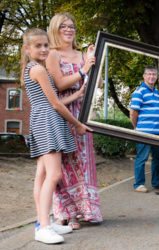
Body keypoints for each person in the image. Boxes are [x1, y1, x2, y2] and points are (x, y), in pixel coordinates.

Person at [21, 28, 91, 244]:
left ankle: (44, 222)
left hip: (44, 119)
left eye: (46, 45)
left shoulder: (34, 69)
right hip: (47, 122)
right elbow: (54, 103)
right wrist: (78, 124)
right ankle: (43, 227)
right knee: (54, 175)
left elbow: (52, 102)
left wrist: (78, 95)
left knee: (42, 175)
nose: (44, 49)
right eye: (38, 46)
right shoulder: (39, 71)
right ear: (27, 49)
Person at [46, 12, 102, 229]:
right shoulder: (52, 55)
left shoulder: (81, 55)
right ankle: (67, 213)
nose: (69, 30)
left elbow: (95, 85)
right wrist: (84, 69)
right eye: (64, 26)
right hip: (62, 112)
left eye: (72, 26)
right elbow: (59, 85)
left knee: (83, 163)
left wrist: (93, 61)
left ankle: (85, 210)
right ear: (55, 29)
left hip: (82, 113)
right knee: (65, 164)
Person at [130, 65, 159, 193]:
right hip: (144, 132)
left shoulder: (157, 92)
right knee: (142, 158)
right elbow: (133, 113)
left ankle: (156, 183)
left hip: (156, 132)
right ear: (144, 76)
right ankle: (139, 184)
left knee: (157, 159)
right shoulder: (139, 92)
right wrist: (136, 128)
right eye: (149, 74)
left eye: (154, 74)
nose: (151, 76)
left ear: (157, 76)